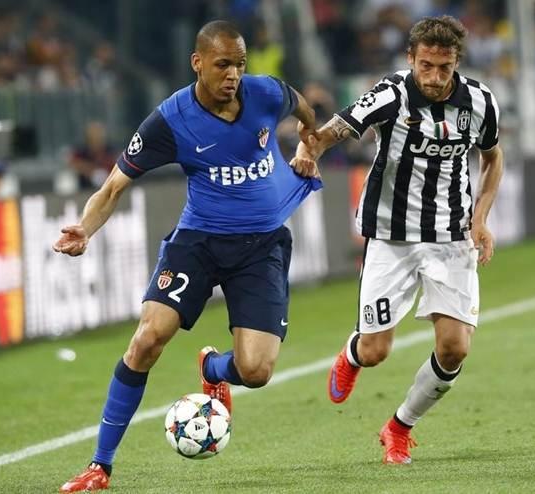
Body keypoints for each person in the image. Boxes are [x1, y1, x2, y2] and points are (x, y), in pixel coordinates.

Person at [55, 20, 320, 492]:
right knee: (147, 339)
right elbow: (115, 184)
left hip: (262, 247)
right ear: (197, 63)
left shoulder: (264, 93)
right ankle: (101, 465)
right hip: (198, 242)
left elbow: (301, 105)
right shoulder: (170, 121)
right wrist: (85, 229)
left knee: (256, 372)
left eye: (239, 64)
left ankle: (212, 369)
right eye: (223, 65)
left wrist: (307, 139)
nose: (234, 74)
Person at [292, 15, 503, 465]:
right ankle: (352, 353)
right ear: (411, 59)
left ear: (456, 63)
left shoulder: (481, 102)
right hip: (391, 239)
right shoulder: (393, 93)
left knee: (455, 347)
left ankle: (399, 427)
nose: (434, 77)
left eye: (444, 68)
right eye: (426, 65)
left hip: (450, 237)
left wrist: (480, 217)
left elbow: (493, 156)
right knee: (375, 351)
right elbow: (340, 128)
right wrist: (310, 146)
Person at [67, 121, 117, 190]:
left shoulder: (109, 150)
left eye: (99, 132)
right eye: (93, 133)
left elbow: (117, 164)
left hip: (108, 189)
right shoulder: (82, 151)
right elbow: (72, 162)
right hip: (85, 190)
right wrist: (91, 171)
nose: (96, 136)